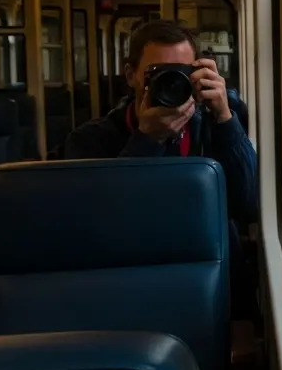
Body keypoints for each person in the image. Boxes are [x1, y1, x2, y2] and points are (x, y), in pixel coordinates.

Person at [66, 19, 257, 227]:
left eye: (180, 72)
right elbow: (99, 219)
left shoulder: (211, 128)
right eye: (158, 73)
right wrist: (146, 140)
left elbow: (249, 205)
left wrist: (224, 118)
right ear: (131, 75)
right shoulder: (90, 140)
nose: (171, 82)